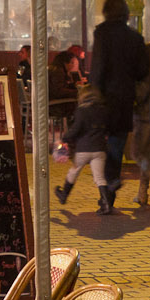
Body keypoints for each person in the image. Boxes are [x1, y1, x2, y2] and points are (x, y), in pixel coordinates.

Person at [90, 0, 148, 206]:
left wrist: (94, 91)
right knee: (116, 142)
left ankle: (108, 188)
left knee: (99, 144)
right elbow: (142, 70)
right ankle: (110, 188)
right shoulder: (135, 37)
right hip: (124, 98)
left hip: (104, 98)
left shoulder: (102, 33)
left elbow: (98, 65)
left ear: (106, 12)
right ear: (126, 13)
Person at [54, 86, 114, 214]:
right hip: (100, 149)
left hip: (84, 150)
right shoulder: (104, 110)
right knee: (99, 177)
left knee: (73, 172)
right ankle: (107, 205)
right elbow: (108, 128)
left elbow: (76, 129)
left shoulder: (82, 111)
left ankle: (64, 195)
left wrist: (64, 139)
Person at [129, 42, 150, 206]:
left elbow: (139, 95)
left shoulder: (147, 75)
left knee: (136, 154)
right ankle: (142, 192)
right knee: (146, 155)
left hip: (143, 118)